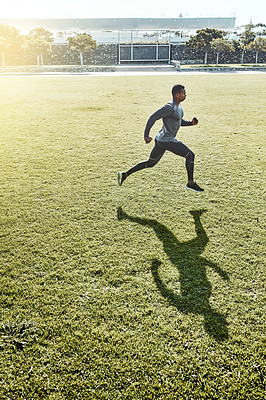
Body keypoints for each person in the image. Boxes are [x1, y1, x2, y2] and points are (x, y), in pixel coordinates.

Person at [118, 84, 204, 192]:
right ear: (177, 95)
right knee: (190, 155)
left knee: (150, 163)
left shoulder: (178, 107)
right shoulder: (169, 107)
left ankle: (124, 174)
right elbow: (153, 117)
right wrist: (146, 135)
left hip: (161, 140)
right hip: (166, 140)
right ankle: (190, 183)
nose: (185, 95)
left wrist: (190, 123)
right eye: (183, 93)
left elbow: (178, 121)